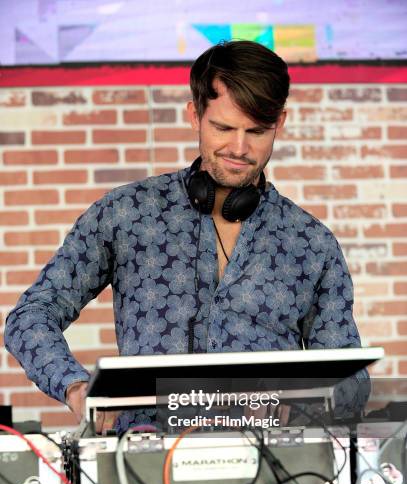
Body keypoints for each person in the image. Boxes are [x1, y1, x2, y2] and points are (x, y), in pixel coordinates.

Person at [5, 40, 368, 432]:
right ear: (194, 115)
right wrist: (75, 387)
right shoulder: (127, 213)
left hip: (274, 472)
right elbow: (30, 316)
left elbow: (351, 378)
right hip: (142, 470)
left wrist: (303, 402)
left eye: (257, 131)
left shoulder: (312, 244)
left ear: (279, 122)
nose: (239, 148)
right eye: (223, 128)